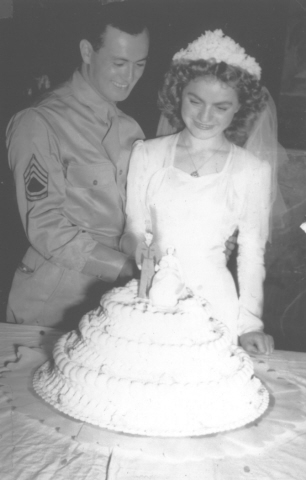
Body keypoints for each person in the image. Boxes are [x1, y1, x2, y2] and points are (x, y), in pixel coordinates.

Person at [121, 30, 275, 354]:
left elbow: (251, 254)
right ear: (179, 94)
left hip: (215, 303)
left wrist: (250, 325)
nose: (205, 117)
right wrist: (138, 246)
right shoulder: (147, 154)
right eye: (195, 101)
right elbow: (133, 230)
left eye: (221, 107)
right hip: (155, 293)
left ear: (238, 108)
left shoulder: (252, 171)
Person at [6, 2, 149, 328]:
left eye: (139, 64)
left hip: (115, 301)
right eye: (119, 63)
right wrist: (125, 269)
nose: (130, 77)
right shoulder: (40, 121)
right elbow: (45, 228)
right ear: (87, 51)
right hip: (54, 302)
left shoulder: (131, 129)